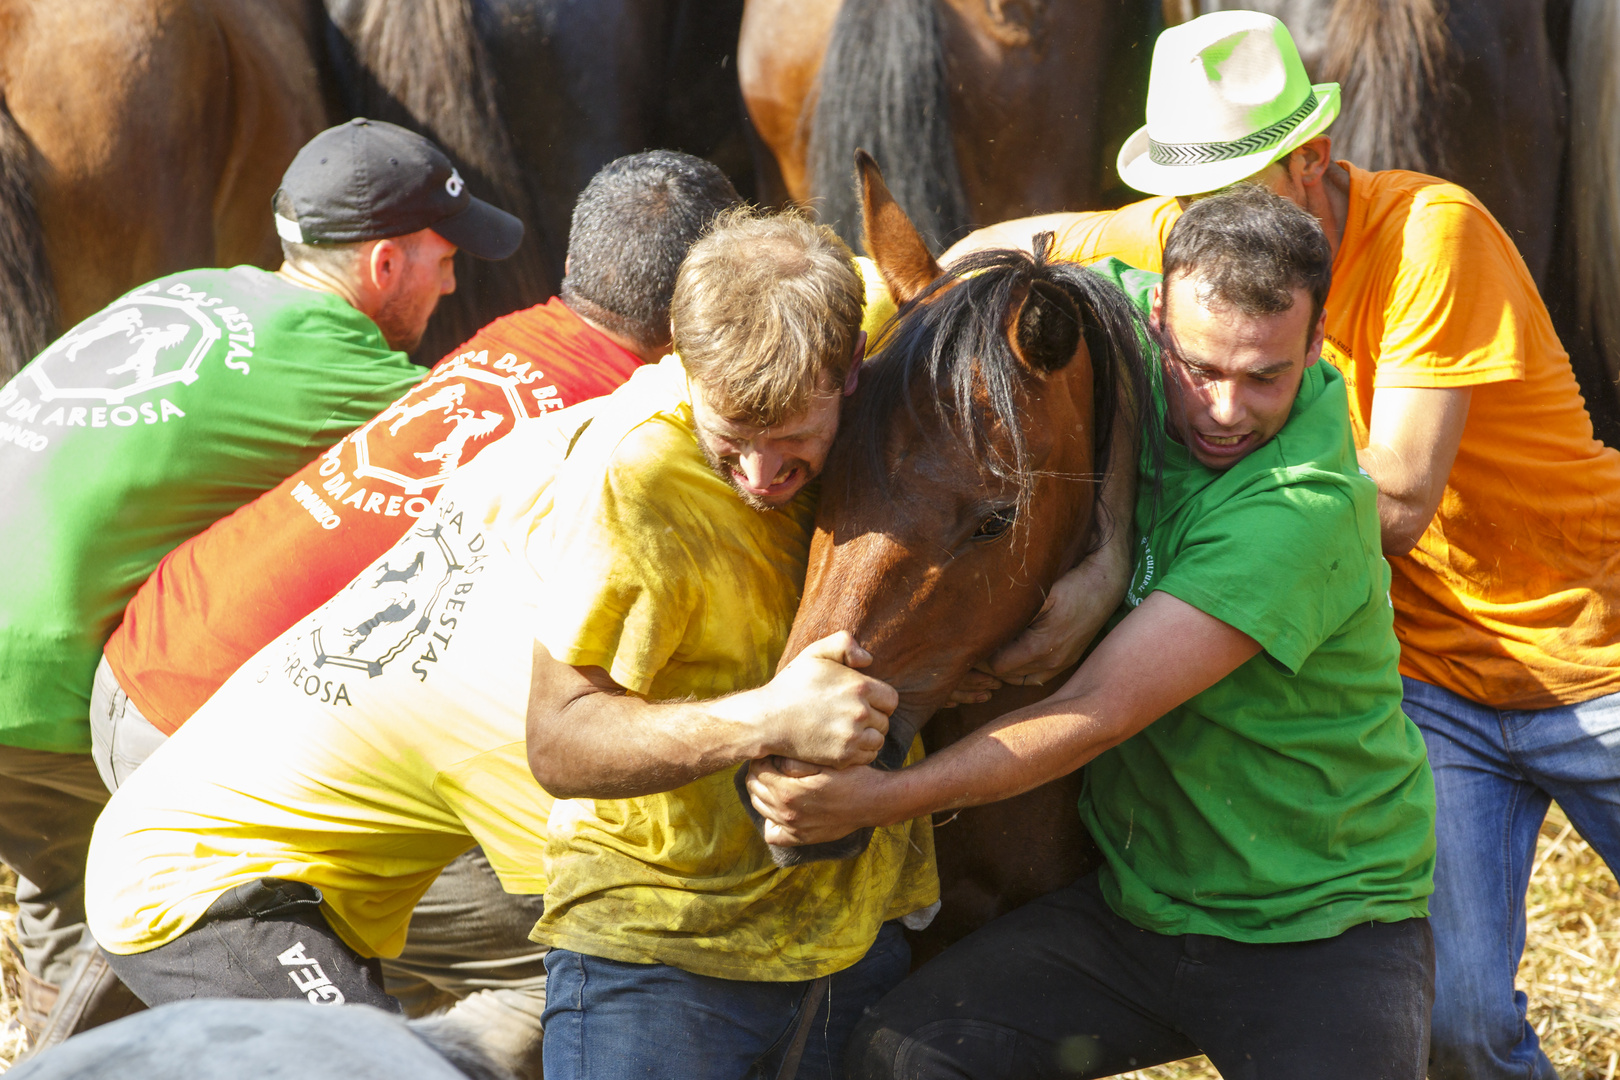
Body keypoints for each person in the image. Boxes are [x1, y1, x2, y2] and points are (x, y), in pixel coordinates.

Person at [81, 208, 932, 1080]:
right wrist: (775, 722)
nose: (761, 475)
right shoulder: (574, 623)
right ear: (683, 362)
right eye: (736, 442)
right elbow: (624, 901)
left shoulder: (785, 317)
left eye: (791, 437)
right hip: (199, 882)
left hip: (299, 838)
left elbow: (903, 280)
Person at [951, 12, 1620, 1078]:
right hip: (1438, 686)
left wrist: (1146, 551)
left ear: (1311, 164)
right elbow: (991, 248)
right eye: (1186, 207)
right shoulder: (1203, 235)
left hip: (1593, 648)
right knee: (1459, 1029)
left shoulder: (1430, 234)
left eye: (1236, 195)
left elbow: (1395, 500)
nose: (1206, 229)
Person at [747, 185, 1437, 1078]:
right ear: (1155, 316)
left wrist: (873, 800)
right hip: (1140, 914)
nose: (1225, 410)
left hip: (1317, 922)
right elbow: (978, 271)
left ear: (1317, 341)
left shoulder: (1302, 507)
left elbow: (1098, 707)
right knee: (904, 1056)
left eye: (1266, 376)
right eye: (1202, 370)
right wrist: (1109, 540)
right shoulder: (1112, 325)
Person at [0, 116, 520, 1047]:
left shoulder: (198, 288)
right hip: (33, 681)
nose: (454, 279)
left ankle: (52, 1053)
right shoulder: (352, 377)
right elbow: (508, 464)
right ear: (386, 265)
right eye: (445, 256)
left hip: (10, 670)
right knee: (173, 885)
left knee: (66, 897)